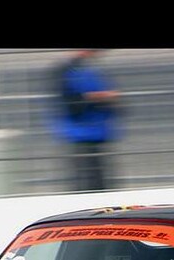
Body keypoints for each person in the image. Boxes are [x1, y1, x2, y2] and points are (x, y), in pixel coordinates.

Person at [50, 50, 121, 192]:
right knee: (87, 180)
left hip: (97, 132)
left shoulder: (89, 70)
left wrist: (108, 100)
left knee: (100, 180)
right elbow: (68, 103)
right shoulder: (66, 71)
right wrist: (96, 97)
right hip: (80, 134)